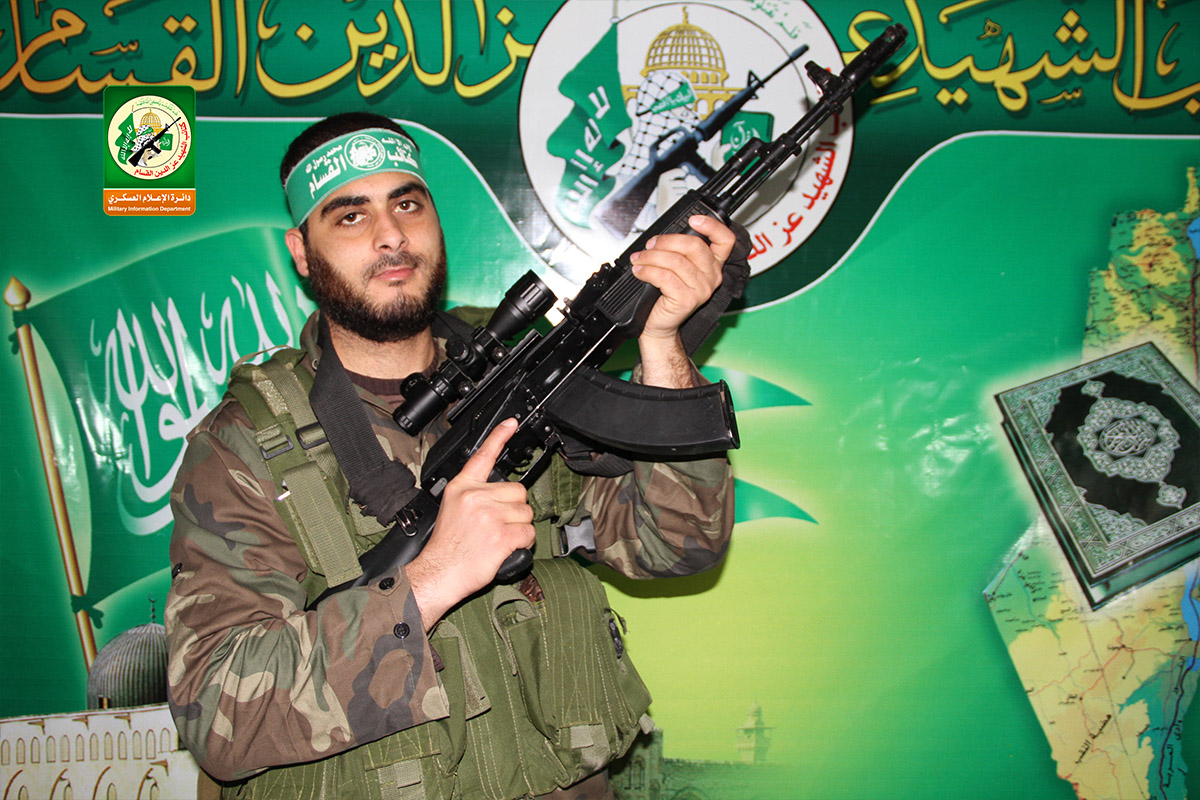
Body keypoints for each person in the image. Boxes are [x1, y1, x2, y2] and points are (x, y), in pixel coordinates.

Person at [165, 112, 737, 800]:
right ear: (302, 251)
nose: (391, 235)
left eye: (407, 204)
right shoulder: (246, 445)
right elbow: (217, 716)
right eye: (351, 216)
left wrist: (662, 346)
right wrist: (430, 580)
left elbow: (678, 545)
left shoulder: (525, 377)